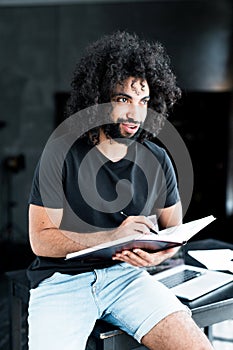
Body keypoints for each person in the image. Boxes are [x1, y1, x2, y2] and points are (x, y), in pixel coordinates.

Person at [27, 31, 214, 350]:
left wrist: (161, 254)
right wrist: (113, 236)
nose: (135, 114)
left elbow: (174, 232)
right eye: (123, 99)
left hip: (127, 279)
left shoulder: (158, 158)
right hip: (61, 283)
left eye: (143, 101)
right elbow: (41, 239)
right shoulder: (62, 152)